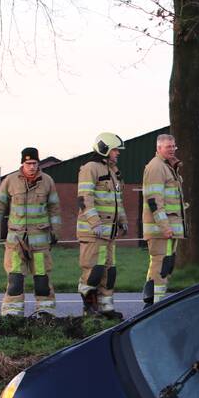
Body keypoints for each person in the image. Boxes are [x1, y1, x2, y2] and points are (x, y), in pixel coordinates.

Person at [0, 147, 62, 317]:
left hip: (40, 243)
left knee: (42, 281)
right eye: (28, 163)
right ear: (22, 163)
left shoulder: (48, 181)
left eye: (35, 163)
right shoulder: (10, 181)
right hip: (16, 242)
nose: (32, 167)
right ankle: (12, 315)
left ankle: (45, 313)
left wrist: (56, 230)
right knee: (15, 280)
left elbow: (54, 209)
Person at [77, 132, 128, 320]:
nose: (117, 153)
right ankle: (89, 309)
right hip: (94, 233)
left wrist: (123, 221)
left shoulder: (113, 171)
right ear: (104, 149)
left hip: (109, 234)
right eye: (115, 149)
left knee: (109, 272)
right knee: (93, 272)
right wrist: (95, 223)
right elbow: (84, 198)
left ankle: (106, 308)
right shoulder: (90, 168)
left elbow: (117, 201)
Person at [142, 133, 185, 308]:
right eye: (168, 147)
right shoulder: (156, 167)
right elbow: (154, 201)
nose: (172, 149)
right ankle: (153, 306)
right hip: (161, 230)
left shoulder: (167, 167)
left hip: (167, 229)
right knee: (161, 265)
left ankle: (153, 303)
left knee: (165, 265)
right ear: (158, 148)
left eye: (174, 146)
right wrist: (165, 226)